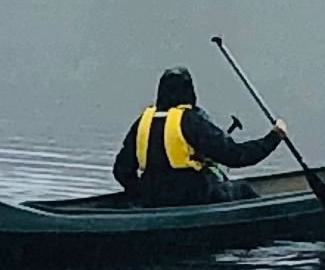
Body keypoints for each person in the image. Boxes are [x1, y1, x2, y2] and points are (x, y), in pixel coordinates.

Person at [111, 65, 288, 206]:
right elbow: (236, 156)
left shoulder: (142, 122)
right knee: (242, 190)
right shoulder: (191, 121)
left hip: (152, 197)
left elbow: (121, 171)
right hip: (191, 197)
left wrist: (141, 193)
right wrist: (274, 137)